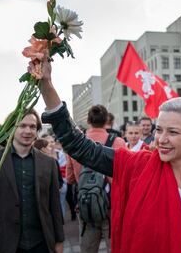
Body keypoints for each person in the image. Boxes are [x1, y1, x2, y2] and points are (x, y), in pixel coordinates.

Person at [38, 60, 181, 252]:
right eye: (159, 130)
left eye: (172, 132)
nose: (161, 139)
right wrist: (47, 86)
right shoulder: (138, 165)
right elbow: (80, 146)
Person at [0, 109, 64, 253]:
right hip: (6, 244)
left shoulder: (49, 163)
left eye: (32, 126)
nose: (27, 131)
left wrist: (59, 240)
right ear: (11, 128)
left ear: (37, 130)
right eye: (22, 126)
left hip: (42, 244)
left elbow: (54, 205)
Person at [66, 104, 126, 253]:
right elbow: (125, 175)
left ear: (88, 120)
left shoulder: (76, 144)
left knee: (87, 248)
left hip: (86, 204)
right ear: (106, 120)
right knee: (115, 247)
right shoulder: (118, 142)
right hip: (112, 205)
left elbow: (70, 178)